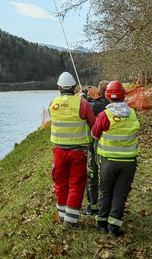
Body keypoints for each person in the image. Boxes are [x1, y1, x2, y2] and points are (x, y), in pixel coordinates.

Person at [92, 81, 140, 237]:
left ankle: (101, 224)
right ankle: (114, 228)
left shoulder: (104, 115)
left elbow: (95, 134)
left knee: (105, 192)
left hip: (108, 162)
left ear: (107, 97)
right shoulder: (132, 113)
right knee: (120, 194)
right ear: (123, 95)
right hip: (128, 163)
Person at [49, 71, 96, 228]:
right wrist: (83, 99)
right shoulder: (82, 104)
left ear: (59, 88)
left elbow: (61, 110)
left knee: (60, 183)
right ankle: (70, 221)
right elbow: (93, 125)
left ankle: (62, 216)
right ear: (75, 87)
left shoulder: (53, 104)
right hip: (78, 152)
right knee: (76, 184)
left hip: (59, 151)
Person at [83, 80, 110, 216]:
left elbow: (88, 105)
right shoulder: (111, 104)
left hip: (94, 144)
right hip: (109, 148)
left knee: (91, 174)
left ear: (99, 91)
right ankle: (106, 206)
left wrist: (84, 95)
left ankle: (92, 206)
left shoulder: (99, 104)